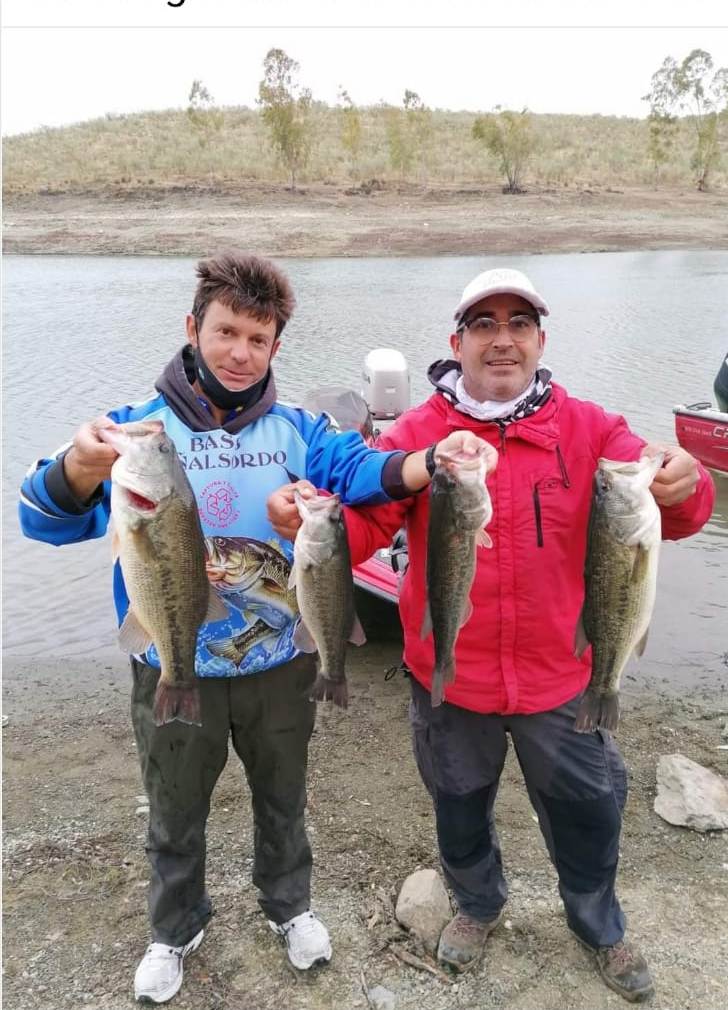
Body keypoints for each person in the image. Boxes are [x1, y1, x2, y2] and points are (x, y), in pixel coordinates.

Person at [18, 251, 480, 1005]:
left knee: (283, 797)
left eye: (258, 339)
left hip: (279, 664)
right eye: (226, 332)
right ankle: (174, 927)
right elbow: (42, 519)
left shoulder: (301, 429)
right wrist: (77, 465)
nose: (240, 352)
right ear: (192, 327)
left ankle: (288, 906)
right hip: (172, 659)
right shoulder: (134, 436)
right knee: (173, 807)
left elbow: (364, 472)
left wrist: (433, 458)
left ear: (275, 347)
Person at [268, 267, 715, 1004]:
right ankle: (477, 904)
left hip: (563, 680)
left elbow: (672, 512)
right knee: (459, 808)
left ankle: (597, 923)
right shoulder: (418, 435)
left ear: (540, 340)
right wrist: (311, 522)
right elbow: (366, 525)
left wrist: (686, 482)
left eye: (518, 324)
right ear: (458, 343)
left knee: (589, 810)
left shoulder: (592, 429)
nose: (502, 340)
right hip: (452, 679)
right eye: (484, 325)